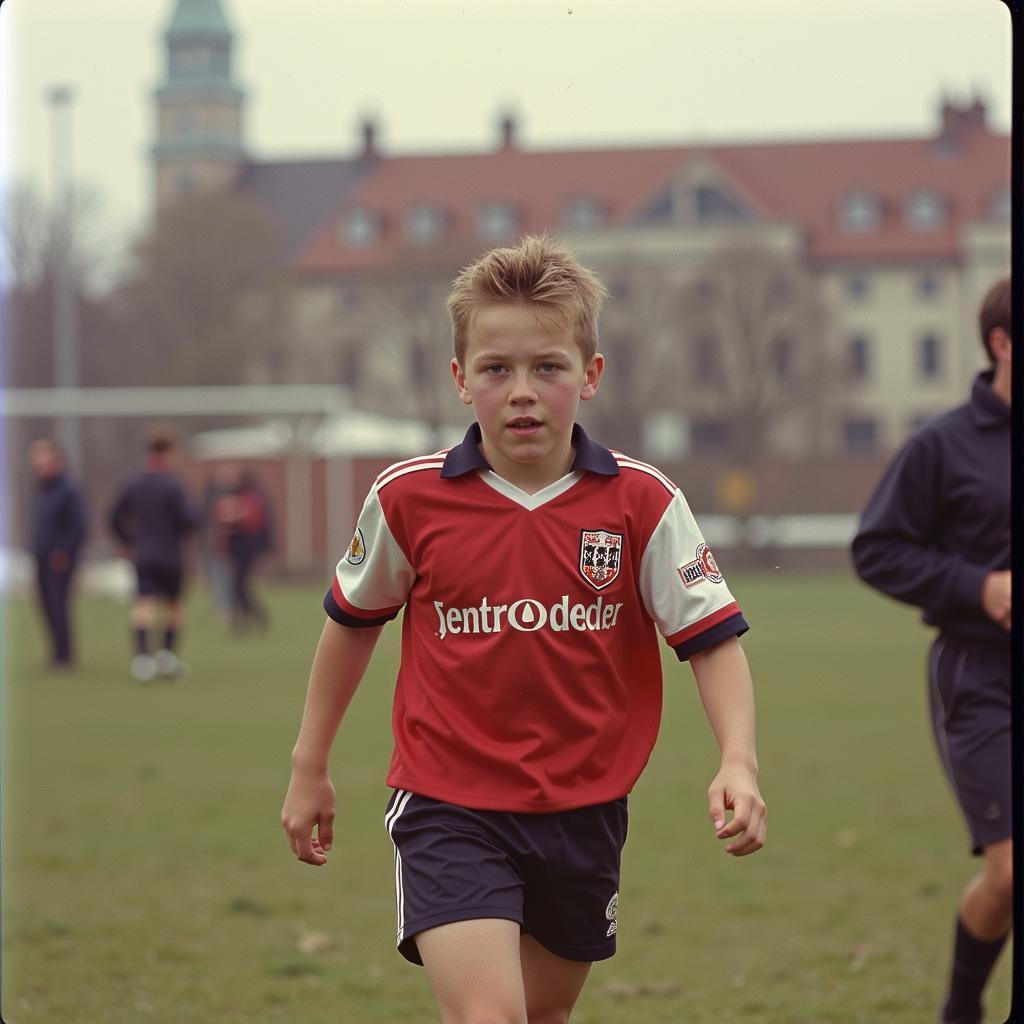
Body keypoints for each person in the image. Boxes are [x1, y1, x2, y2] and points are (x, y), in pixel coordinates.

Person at [281, 235, 766, 1022]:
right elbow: (350, 624)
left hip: (585, 809)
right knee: (490, 1016)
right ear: (460, 381)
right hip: (449, 802)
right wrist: (311, 766)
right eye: (496, 369)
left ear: (591, 375)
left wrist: (737, 763)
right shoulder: (409, 498)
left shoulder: (642, 503)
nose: (523, 393)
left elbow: (711, 641)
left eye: (548, 367)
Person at [851, 276, 1011, 1024]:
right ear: (1001, 343)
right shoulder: (941, 446)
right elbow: (878, 550)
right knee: (1010, 875)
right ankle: (962, 1008)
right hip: (980, 674)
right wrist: (978, 587)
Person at [109, 422, 199, 682]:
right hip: (170, 555)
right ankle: (167, 658)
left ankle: (142, 660)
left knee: (143, 604)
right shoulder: (174, 484)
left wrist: (129, 541)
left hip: (143, 554)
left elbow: (114, 516)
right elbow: (188, 520)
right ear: (170, 450)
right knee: (173, 607)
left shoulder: (133, 480)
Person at [27, 437, 88, 670]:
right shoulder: (42, 489)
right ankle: (55, 653)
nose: (39, 465)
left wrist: (65, 550)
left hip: (59, 559)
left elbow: (79, 525)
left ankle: (65, 656)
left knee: (58, 604)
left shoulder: (69, 489)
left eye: (43, 459)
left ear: (56, 460)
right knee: (44, 605)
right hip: (41, 556)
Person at [216, 469, 272, 633]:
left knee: (239, 586)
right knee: (236, 586)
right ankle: (243, 620)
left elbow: (253, 521)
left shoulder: (251, 498)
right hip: (234, 549)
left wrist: (234, 517)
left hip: (246, 548)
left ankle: (256, 616)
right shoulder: (234, 498)